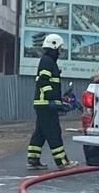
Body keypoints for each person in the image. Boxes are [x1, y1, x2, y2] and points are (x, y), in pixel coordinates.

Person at [27, 33, 78, 170]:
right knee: (53, 131)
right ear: (54, 46)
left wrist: (58, 99)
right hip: (46, 104)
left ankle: (33, 159)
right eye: (60, 47)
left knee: (41, 131)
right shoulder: (47, 61)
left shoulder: (48, 61)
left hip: (43, 104)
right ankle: (62, 162)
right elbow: (43, 81)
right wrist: (52, 99)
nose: (61, 50)